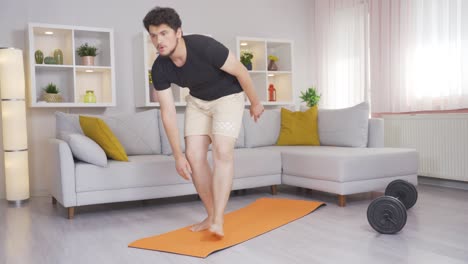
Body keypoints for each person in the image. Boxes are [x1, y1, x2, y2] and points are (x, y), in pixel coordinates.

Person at [143, 7, 264, 238]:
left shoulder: (204, 46)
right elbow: (167, 112)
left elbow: (240, 71)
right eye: (153, 35)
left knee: (222, 150)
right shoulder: (159, 68)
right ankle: (211, 215)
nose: (159, 40)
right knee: (194, 157)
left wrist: (255, 103)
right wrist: (178, 155)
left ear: (179, 32)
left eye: (164, 33)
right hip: (198, 102)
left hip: (228, 97)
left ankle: (219, 219)